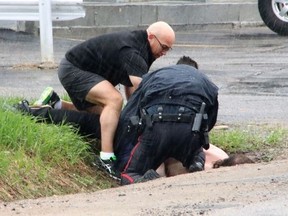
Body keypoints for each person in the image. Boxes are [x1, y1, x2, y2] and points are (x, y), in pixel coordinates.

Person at [33, 21, 175, 179]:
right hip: (73, 68)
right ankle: (106, 158)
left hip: (82, 69)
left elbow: (132, 86)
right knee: (114, 100)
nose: (165, 53)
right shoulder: (134, 50)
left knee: (109, 116)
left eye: (169, 49)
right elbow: (141, 89)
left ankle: (56, 103)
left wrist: (131, 115)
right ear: (151, 37)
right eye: (164, 47)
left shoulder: (144, 47)